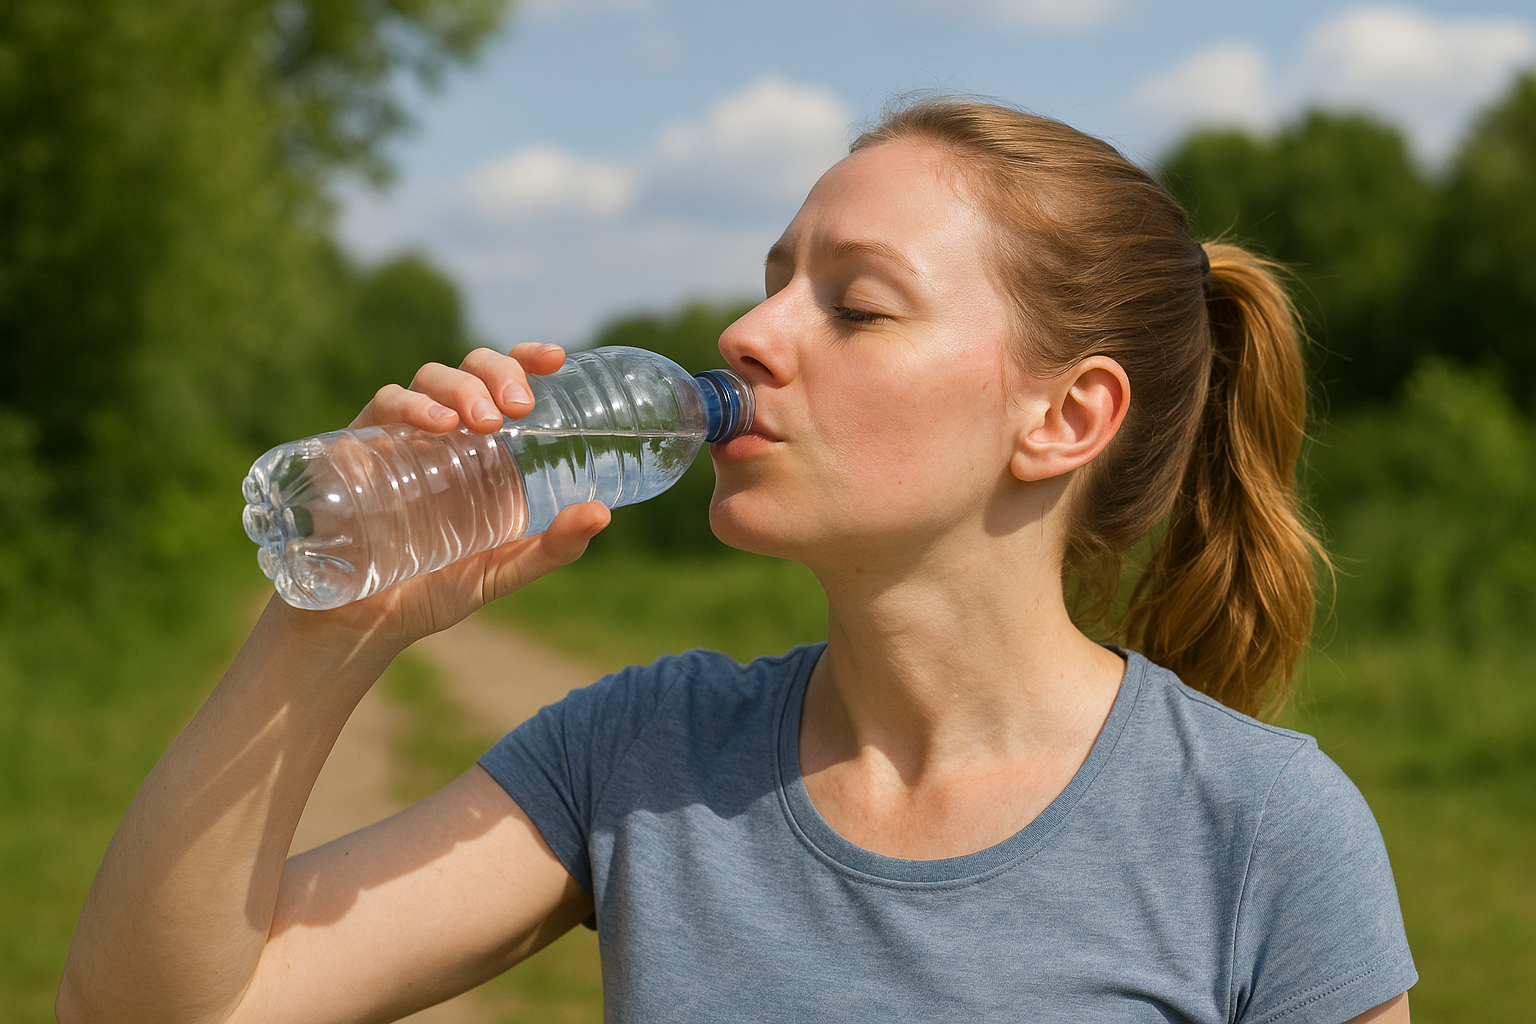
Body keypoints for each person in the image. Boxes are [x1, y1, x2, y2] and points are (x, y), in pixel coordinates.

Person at [58, 99, 1416, 1024]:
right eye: (775, 278)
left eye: (854, 303)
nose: (749, 330)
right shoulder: (643, 759)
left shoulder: (1261, 832)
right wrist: (328, 628)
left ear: (1064, 418)